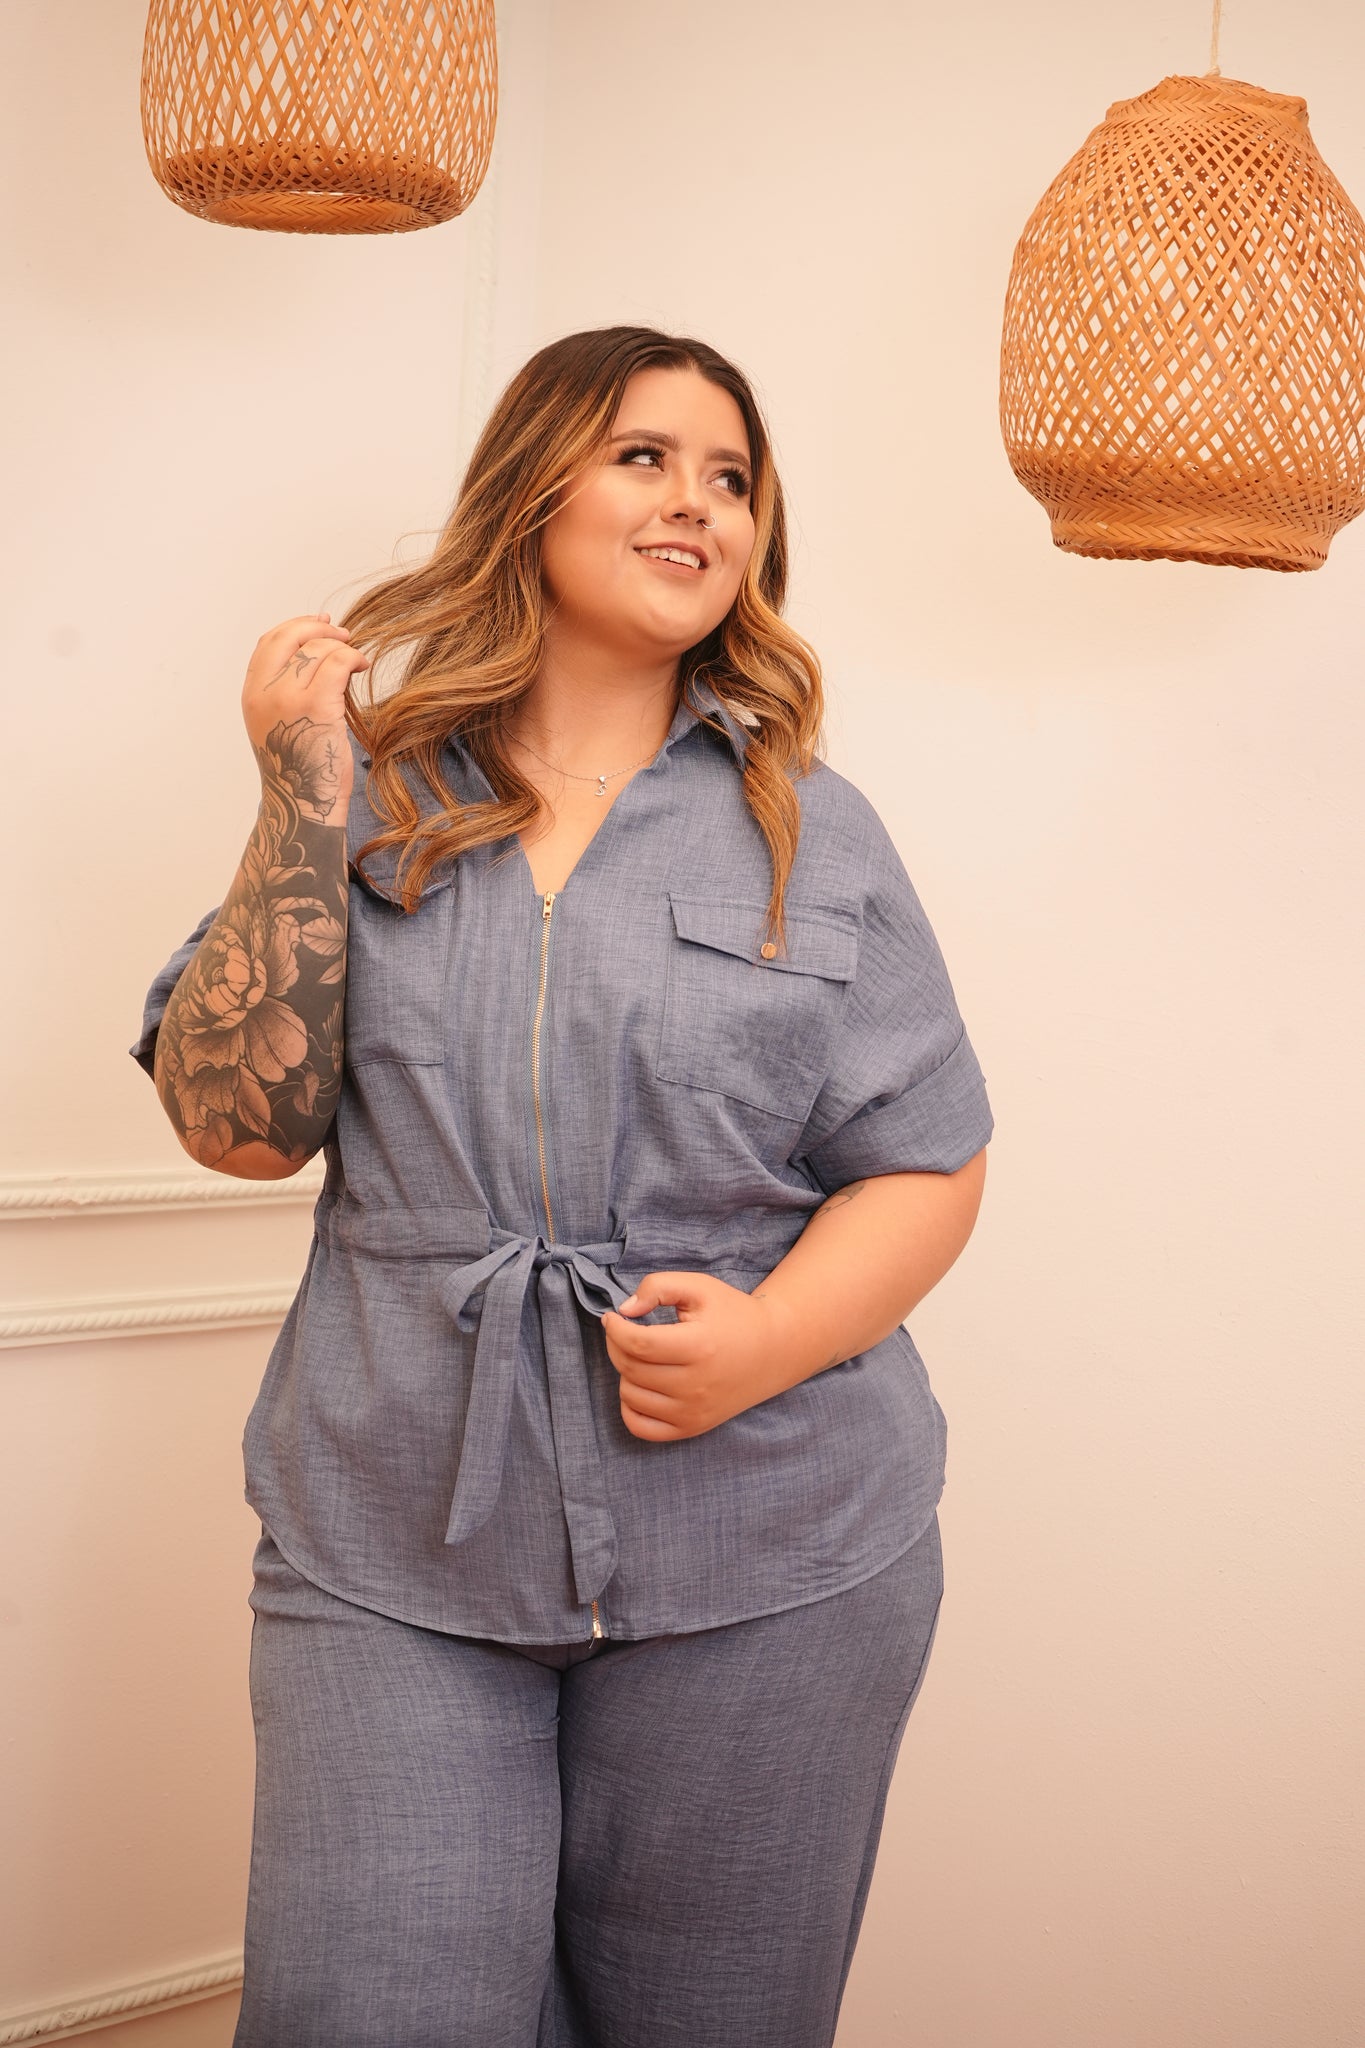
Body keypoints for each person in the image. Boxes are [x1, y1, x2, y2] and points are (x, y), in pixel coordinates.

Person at [132, 325, 993, 2048]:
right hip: (391, 1546)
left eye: (731, 478)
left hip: (775, 1554)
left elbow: (928, 1158)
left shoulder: (811, 827)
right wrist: (299, 787)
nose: (699, 504)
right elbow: (239, 1126)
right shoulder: (370, 795)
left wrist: (765, 1343)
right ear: (532, 490)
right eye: (644, 457)